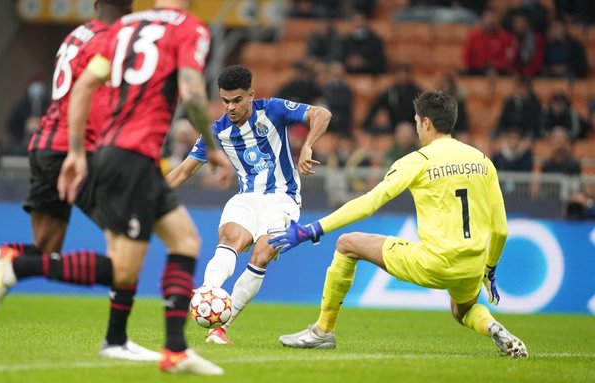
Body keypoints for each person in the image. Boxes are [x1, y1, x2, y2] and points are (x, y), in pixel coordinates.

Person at [0, 0, 161, 362]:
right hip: (75, 150)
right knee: (127, 241)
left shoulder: (78, 34)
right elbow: (90, 101)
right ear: (131, 8)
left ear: (95, 4)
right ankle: (117, 338)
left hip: (45, 145)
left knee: (46, 249)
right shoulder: (109, 41)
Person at [269, 90, 528, 358]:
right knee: (461, 311)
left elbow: (369, 203)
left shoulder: (418, 161)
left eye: (417, 122)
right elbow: (500, 230)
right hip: (472, 265)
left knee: (347, 244)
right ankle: (492, 326)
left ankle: (323, 331)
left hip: (434, 262)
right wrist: (490, 268)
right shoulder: (483, 160)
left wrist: (314, 229)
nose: (417, 129)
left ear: (426, 122)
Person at [55, 0, 232, 375]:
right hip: (134, 157)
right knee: (122, 268)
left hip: (115, 152)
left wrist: (75, 152)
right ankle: (17, 266)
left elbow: (85, 85)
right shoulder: (189, 28)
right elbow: (191, 91)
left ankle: (174, 350)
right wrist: (212, 149)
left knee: (185, 241)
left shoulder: (123, 26)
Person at [166, 65, 331, 345]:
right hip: (246, 198)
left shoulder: (274, 110)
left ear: (251, 95)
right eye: (225, 101)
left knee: (261, 254)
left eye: (237, 100)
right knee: (230, 240)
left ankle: (220, 327)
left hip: (282, 198)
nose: (230, 107)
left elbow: (321, 113)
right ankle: (208, 294)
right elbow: (182, 172)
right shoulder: (217, 131)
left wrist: (307, 145)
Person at [5, 75, 51, 155]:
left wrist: (41, 124)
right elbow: (11, 125)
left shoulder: (49, 105)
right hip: (23, 143)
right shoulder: (21, 105)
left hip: (44, 143)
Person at [462, 9, 514, 75]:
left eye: (492, 20)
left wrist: (495, 66)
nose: (490, 22)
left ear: (496, 22)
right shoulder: (474, 36)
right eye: (488, 20)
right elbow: (467, 55)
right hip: (477, 70)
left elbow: (506, 59)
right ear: (483, 21)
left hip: (498, 70)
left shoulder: (504, 37)